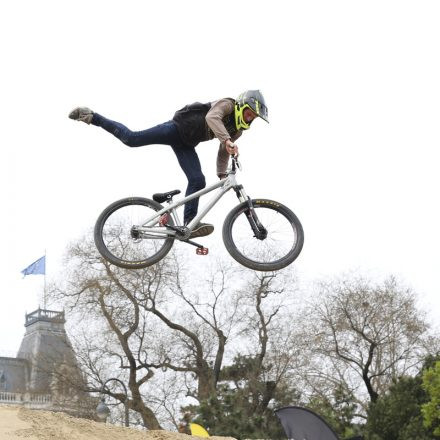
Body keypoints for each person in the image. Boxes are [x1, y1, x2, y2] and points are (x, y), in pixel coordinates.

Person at [69, 90, 269, 238]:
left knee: (197, 180)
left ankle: (189, 223)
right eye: (249, 113)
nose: (250, 118)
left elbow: (222, 152)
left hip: (187, 144)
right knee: (132, 139)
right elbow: (211, 117)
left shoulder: (237, 131)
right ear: (243, 105)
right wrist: (227, 140)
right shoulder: (227, 104)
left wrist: (222, 174)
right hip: (175, 129)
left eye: (254, 117)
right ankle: (91, 116)